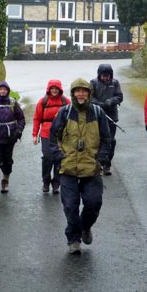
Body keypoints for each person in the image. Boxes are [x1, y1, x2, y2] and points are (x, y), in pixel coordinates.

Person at [50, 78, 111, 255]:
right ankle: (73, 238)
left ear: (89, 93)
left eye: (84, 91)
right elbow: (53, 137)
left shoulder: (98, 113)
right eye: (77, 91)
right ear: (73, 93)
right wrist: (60, 157)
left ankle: (85, 227)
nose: (81, 94)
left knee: (94, 203)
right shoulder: (65, 112)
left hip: (91, 168)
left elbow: (107, 140)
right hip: (68, 167)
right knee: (70, 205)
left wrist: (99, 159)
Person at [32, 79, 71, 194]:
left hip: (61, 134)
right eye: (52, 88)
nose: (54, 90)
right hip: (46, 133)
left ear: (60, 90)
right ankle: (46, 181)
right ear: (49, 90)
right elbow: (37, 118)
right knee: (47, 158)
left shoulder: (66, 101)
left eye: (56, 89)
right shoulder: (43, 102)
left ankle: (56, 183)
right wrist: (35, 134)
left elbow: (72, 117)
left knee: (59, 159)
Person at [90, 63, 124, 175]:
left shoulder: (115, 83)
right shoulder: (93, 83)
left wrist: (111, 101)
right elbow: (90, 97)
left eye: (108, 75)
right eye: (103, 75)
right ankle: (98, 164)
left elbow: (119, 96)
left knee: (110, 141)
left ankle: (107, 164)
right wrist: (99, 104)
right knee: (97, 141)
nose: (106, 77)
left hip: (112, 116)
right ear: (99, 75)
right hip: (97, 116)